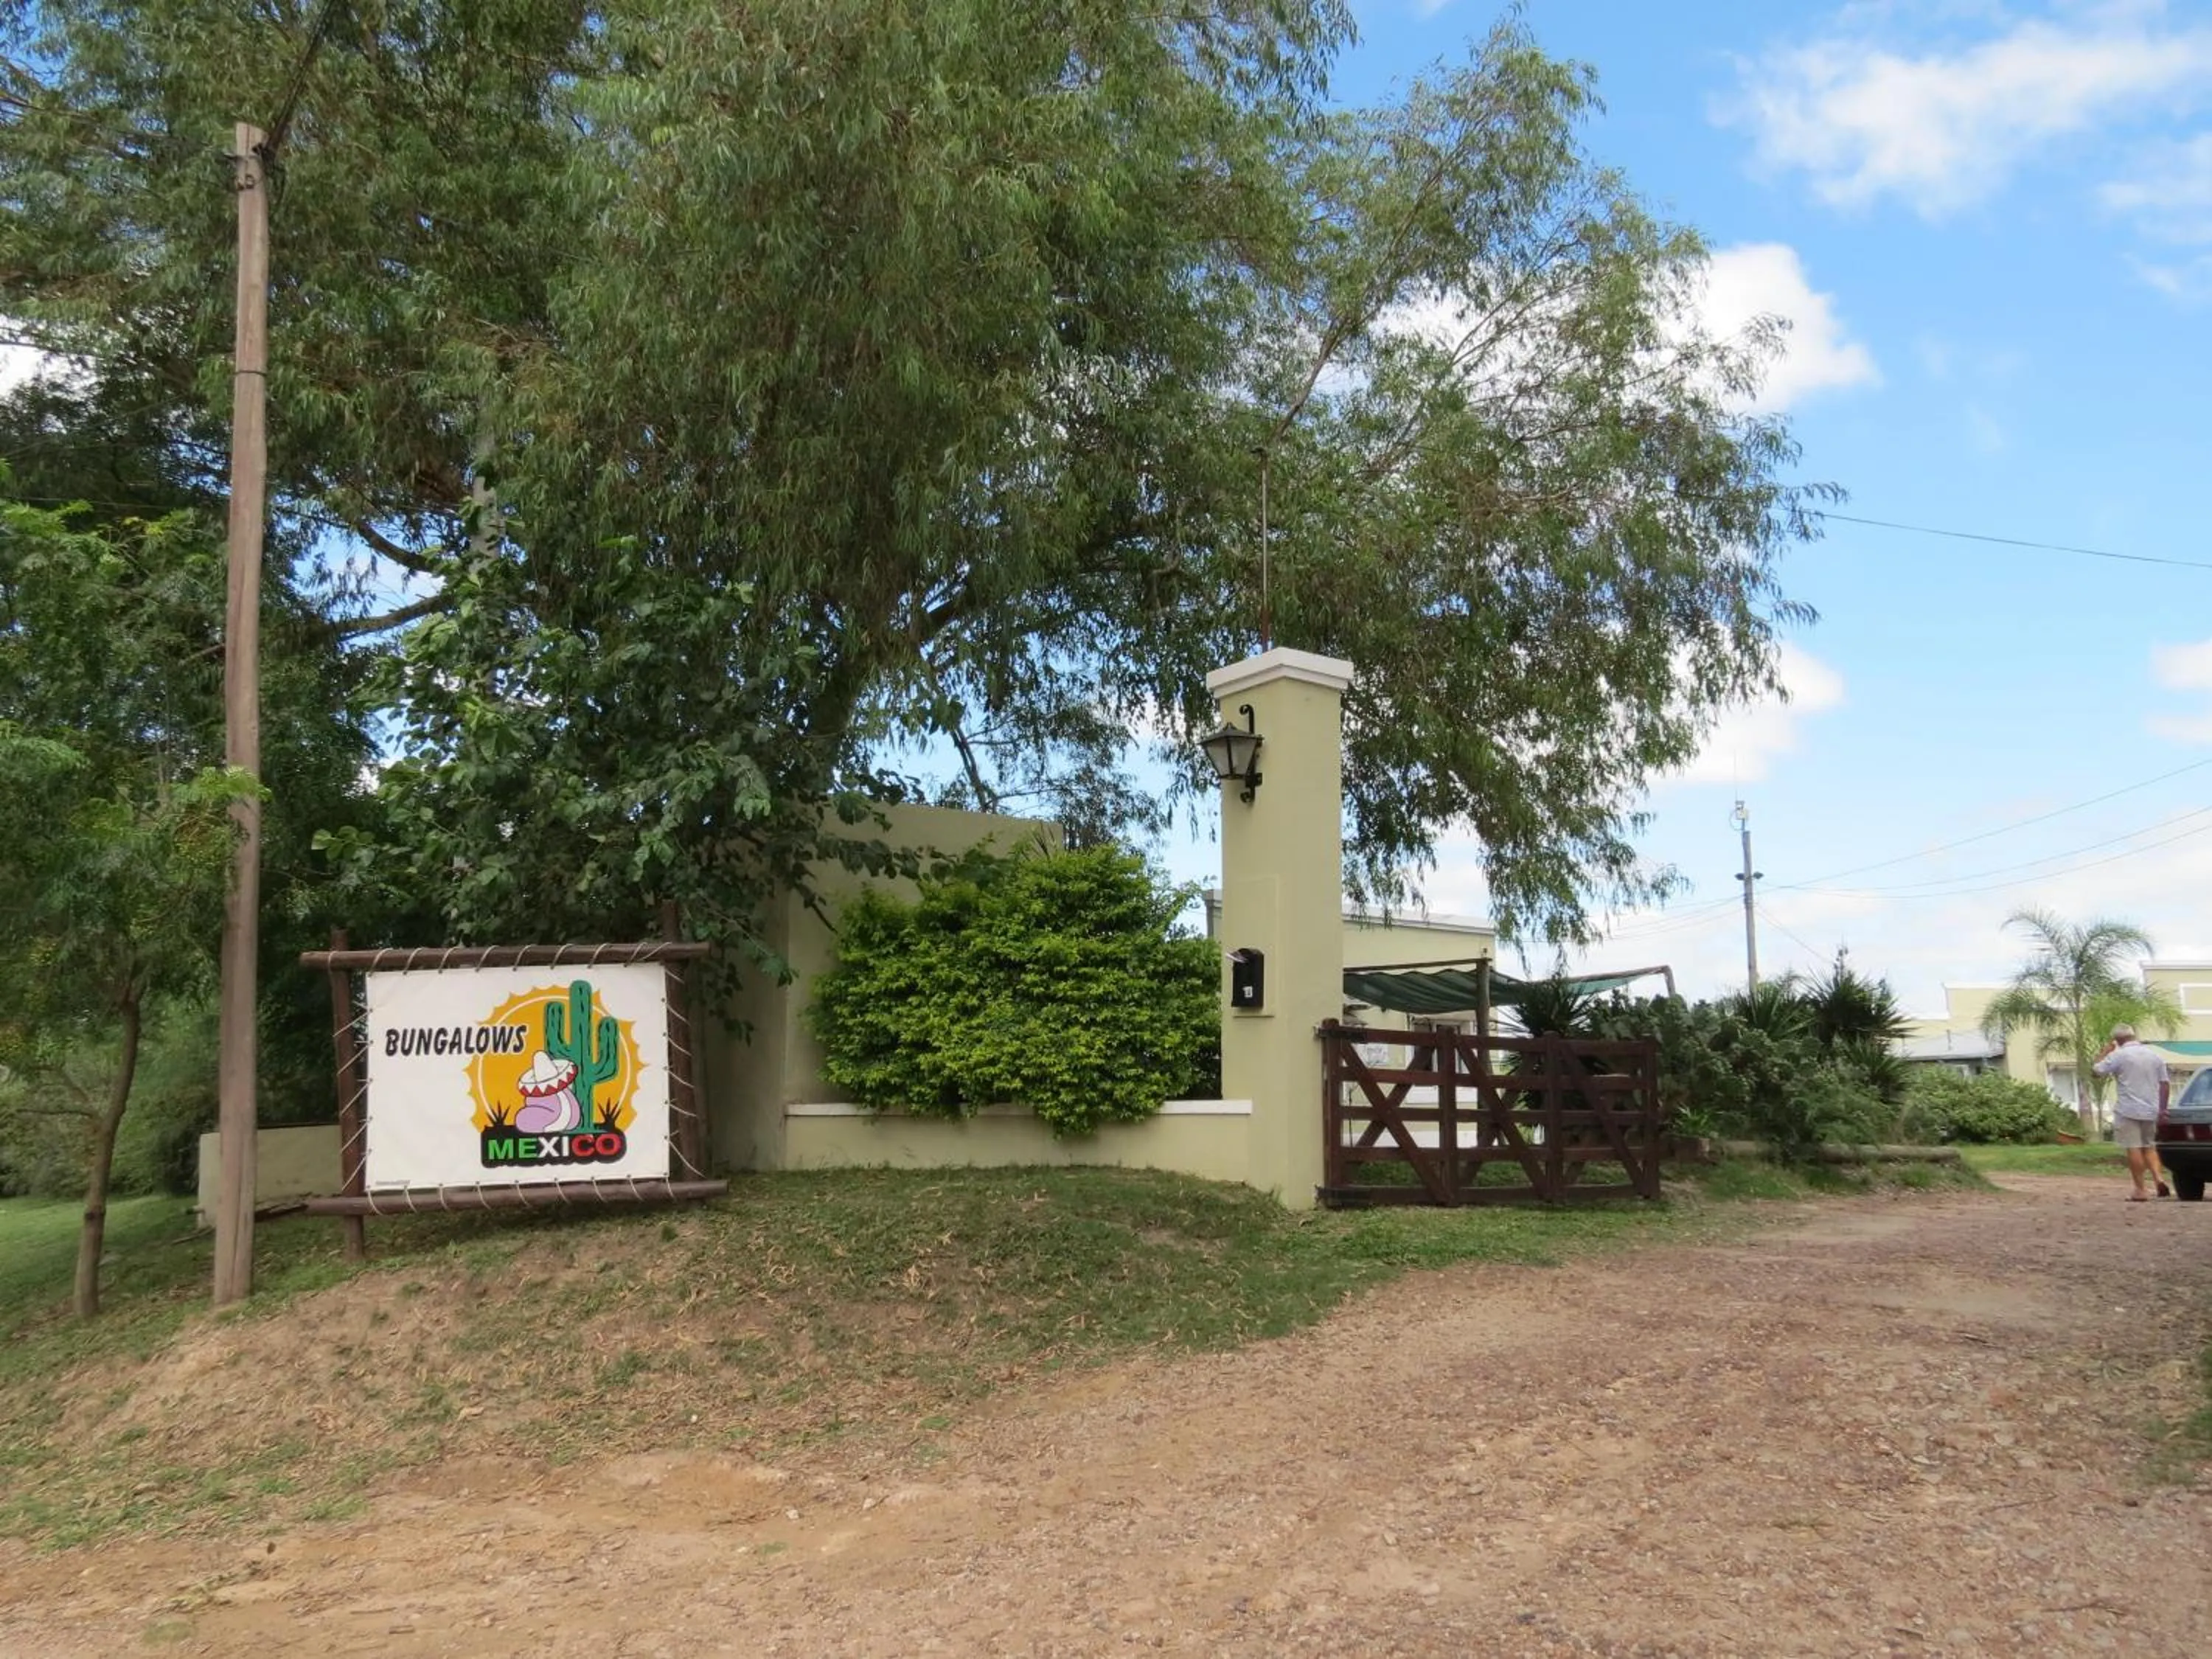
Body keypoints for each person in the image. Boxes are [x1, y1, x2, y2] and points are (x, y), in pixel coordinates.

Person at [2092, 1024, 2170, 1202]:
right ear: (2134, 1036)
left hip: (2128, 1110)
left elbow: (2096, 1071)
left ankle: (2140, 1189)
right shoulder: (2155, 1056)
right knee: (2149, 1147)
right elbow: (2165, 1084)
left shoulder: (2119, 1056)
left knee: (2133, 1147)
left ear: (2118, 1040)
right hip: (2151, 1109)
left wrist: (2105, 1052)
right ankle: (2159, 1178)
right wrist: (2163, 1109)